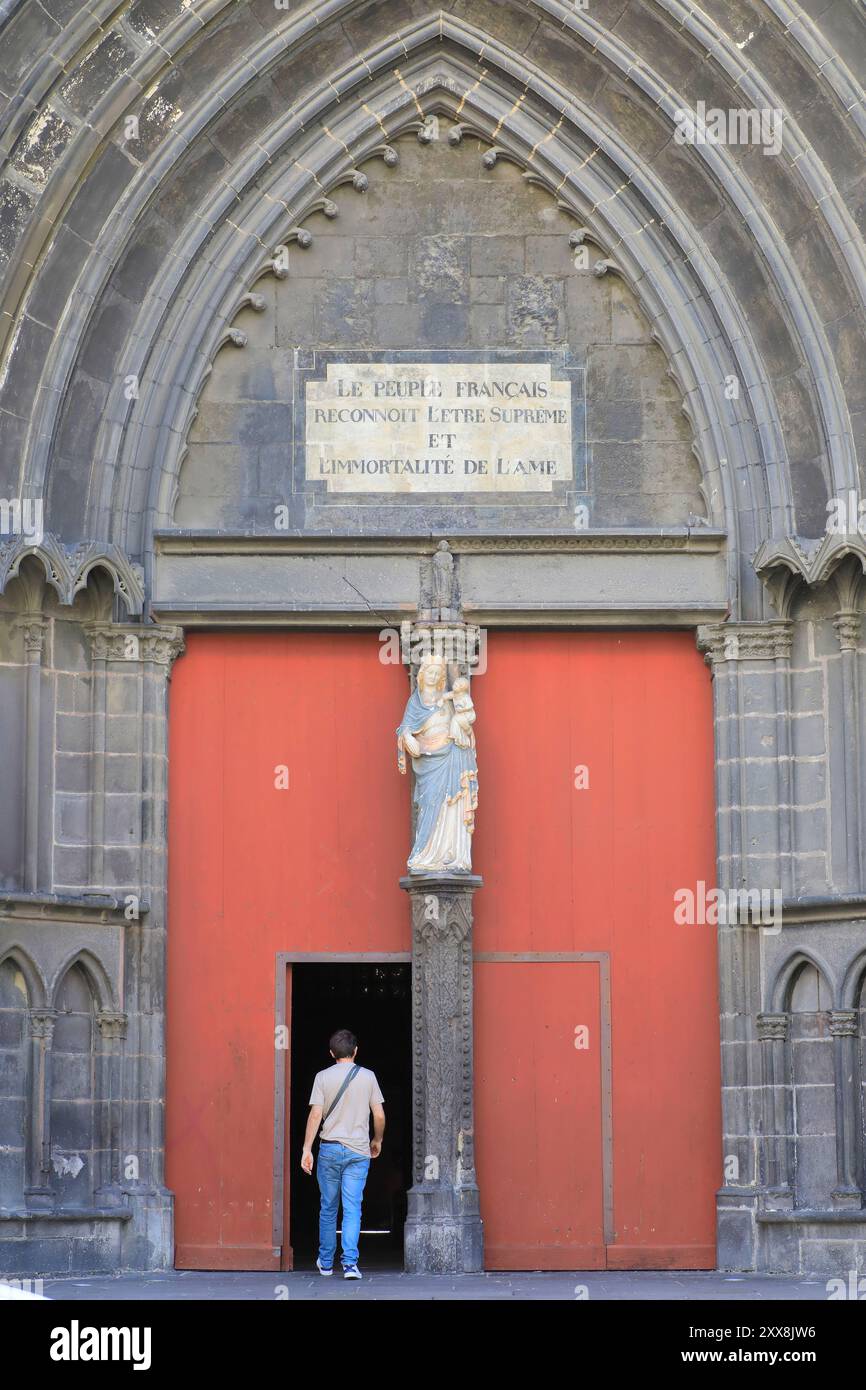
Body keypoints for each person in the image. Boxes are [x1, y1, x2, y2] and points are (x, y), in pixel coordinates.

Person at [301, 1029, 385, 1279]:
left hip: (329, 1148)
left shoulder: (322, 1077)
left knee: (328, 1208)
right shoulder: (368, 1077)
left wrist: (307, 1148)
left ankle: (326, 1262)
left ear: (331, 1053)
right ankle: (350, 1264)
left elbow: (316, 1114)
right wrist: (377, 1139)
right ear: (356, 1050)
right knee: (352, 1208)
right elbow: (379, 1115)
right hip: (359, 1151)